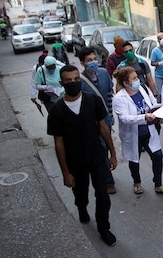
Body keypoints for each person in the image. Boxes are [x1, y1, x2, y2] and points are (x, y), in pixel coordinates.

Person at [47, 65, 118, 246]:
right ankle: (81, 207)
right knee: (81, 194)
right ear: (62, 83)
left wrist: (112, 154)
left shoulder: (92, 100)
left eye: (76, 79)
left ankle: (103, 228)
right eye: (68, 81)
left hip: (96, 157)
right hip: (75, 162)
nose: (73, 83)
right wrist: (65, 172)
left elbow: (103, 127)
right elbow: (59, 142)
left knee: (102, 194)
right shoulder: (57, 111)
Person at [112, 67, 163, 195]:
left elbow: (153, 105)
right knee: (135, 159)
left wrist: (162, 115)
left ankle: (158, 184)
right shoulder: (119, 98)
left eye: (137, 77)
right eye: (134, 78)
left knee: (158, 156)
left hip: (149, 131)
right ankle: (137, 182)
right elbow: (125, 118)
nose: (137, 80)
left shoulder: (143, 89)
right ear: (125, 83)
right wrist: (144, 117)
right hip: (133, 134)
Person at [78, 47, 117, 194]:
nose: (93, 62)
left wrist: (111, 116)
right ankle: (108, 181)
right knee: (101, 150)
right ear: (82, 63)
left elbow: (109, 95)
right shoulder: (80, 81)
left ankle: (106, 169)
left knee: (107, 147)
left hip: (106, 119)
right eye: (89, 60)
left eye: (95, 59)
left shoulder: (103, 73)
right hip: (92, 124)